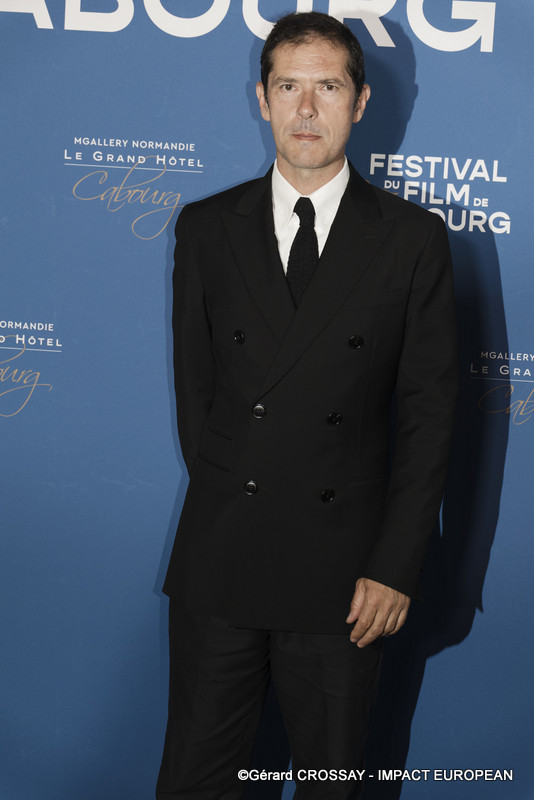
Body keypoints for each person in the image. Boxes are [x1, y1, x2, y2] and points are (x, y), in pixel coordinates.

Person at [156, 11, 457, 800]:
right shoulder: (206, 228)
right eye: (289, 86)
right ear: (262, 99)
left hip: (345, 583)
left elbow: (428, 421)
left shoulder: (412, 239)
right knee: (195, 783)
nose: (307, 109)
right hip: (221, 565)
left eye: (328, 87)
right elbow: (198, 399)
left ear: (360, 102)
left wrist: (393, 566)